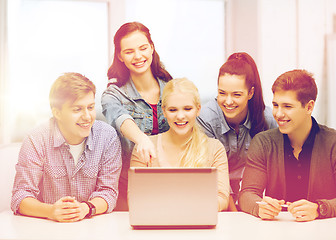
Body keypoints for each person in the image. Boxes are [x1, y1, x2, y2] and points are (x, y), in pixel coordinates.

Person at [239, 69, 336, 221]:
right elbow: (246, 194)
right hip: (277, 231)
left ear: (309, 107)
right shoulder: (263, 143)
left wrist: (319, 209)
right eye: (275, 105)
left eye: (287, 106)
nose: (278, 114)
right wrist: (259, 206)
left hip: (326, 231)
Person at [11, 73, 122, 222]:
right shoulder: (36, 139)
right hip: (46, 227)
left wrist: (85, 208)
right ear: (57, 113)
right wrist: (51, 211)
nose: (87, 116)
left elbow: (108, 192)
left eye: (90, 107)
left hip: (92, 228)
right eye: (77, 109)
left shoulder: (107, 136)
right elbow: (21, 196)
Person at [101, 22, 172, 210]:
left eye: (143, 48)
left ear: (152, 48)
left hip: (171, 183)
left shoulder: (172, 88)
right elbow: (120, 118)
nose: (138, 56)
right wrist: (142, 139)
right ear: (120, 56)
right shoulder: (113, 95)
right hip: (128, 186)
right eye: (129, 51)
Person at [131, 78, 230, 211]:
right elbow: (134, 200)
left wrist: (189, 208)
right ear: (164, 111)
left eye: (187, 109)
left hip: (201, 225)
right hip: (156, 226)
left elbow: (222, 198)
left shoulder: (215, 149)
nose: (180, 116)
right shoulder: (144, 148)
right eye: (173, 110)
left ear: (198, 109)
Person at [197, 52, 277, 208]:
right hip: (216, 197)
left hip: (256, 198)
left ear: (250, 93)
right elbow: (210, 174)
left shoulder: (268, 119)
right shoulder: (205, 118)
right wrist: (235, 212)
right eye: (222, 93)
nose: (228, 101)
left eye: (236, 95)